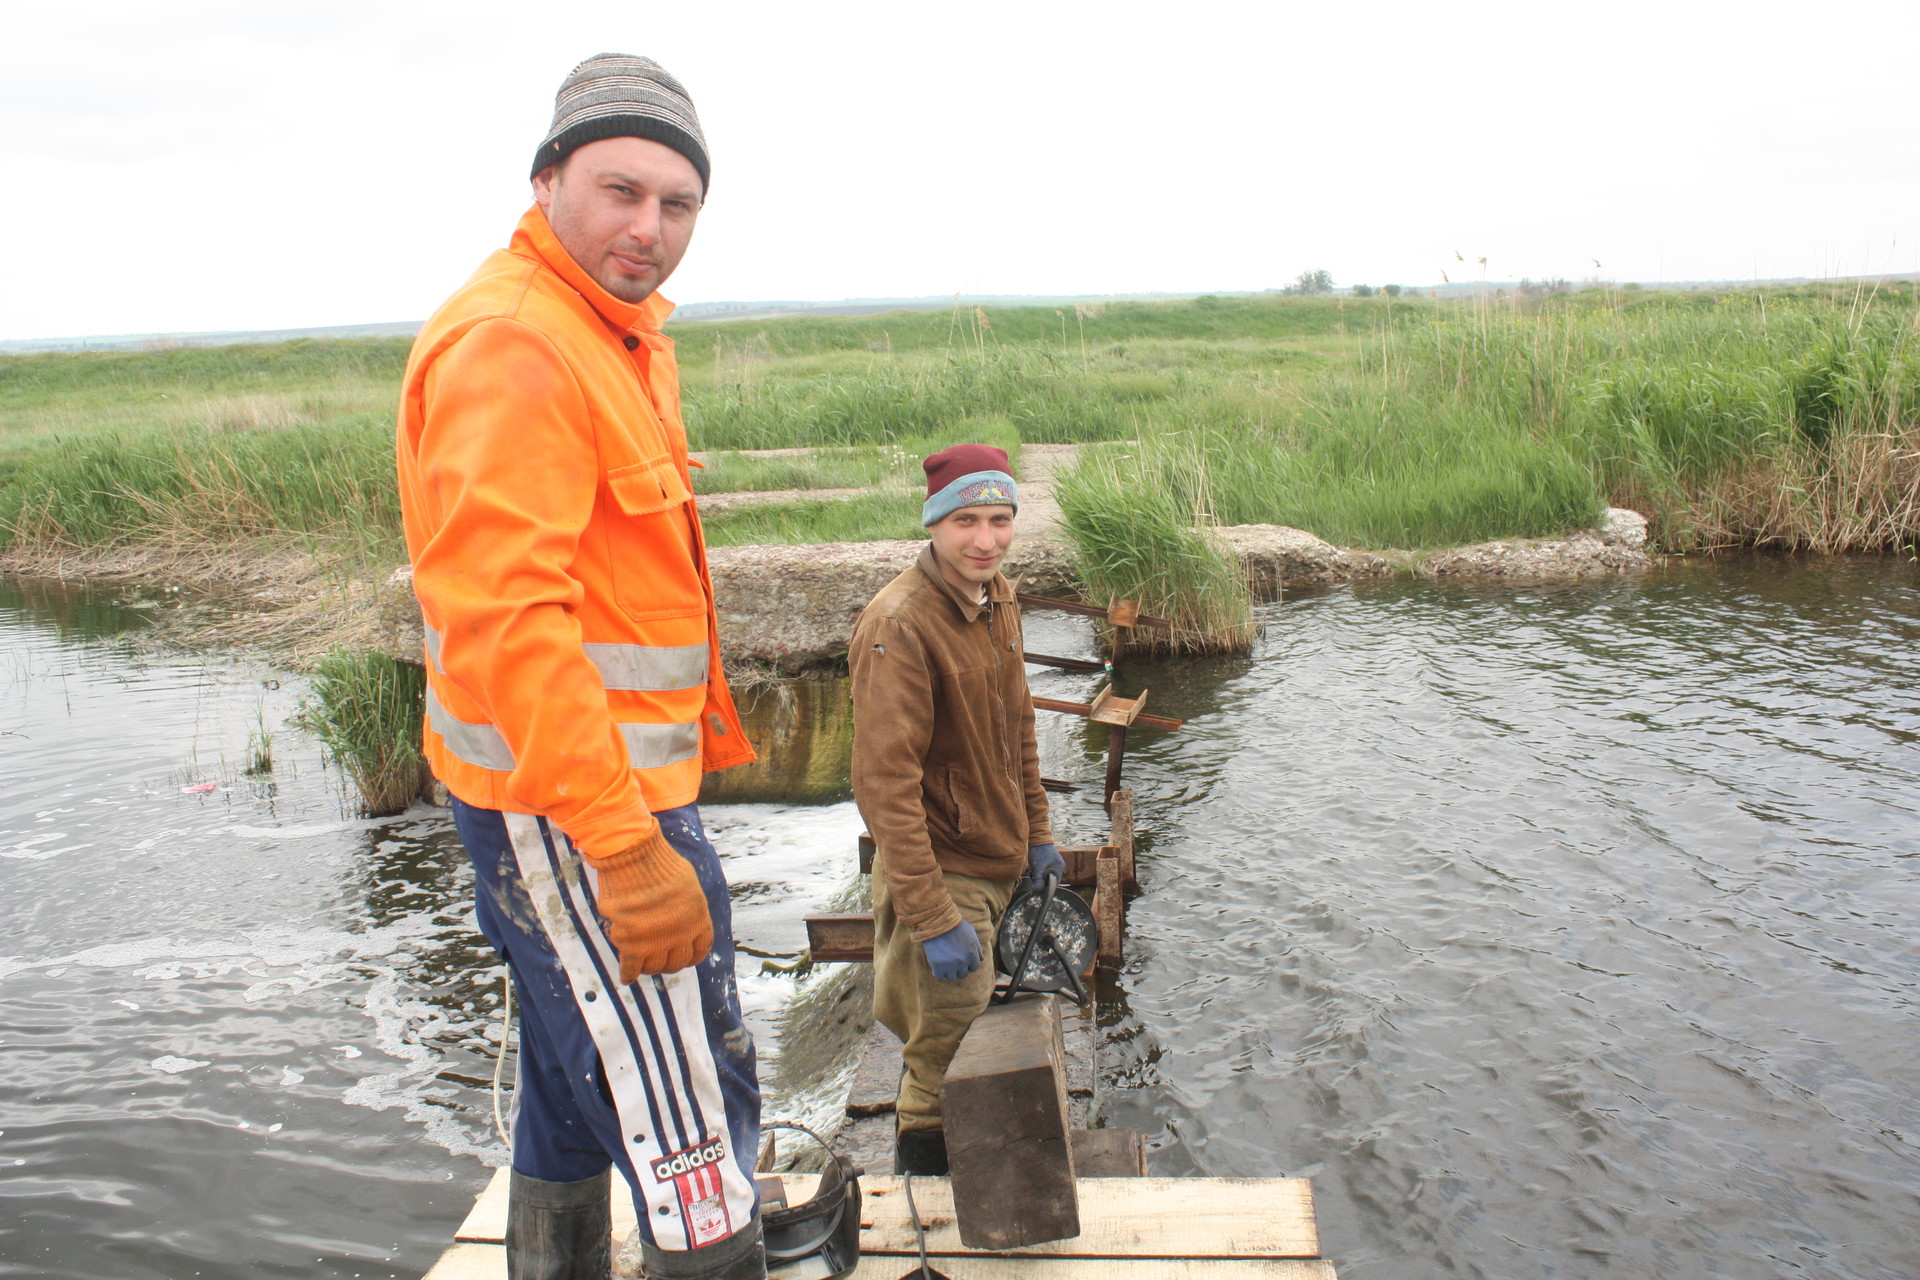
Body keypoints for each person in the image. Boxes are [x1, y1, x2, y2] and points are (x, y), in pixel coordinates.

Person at [395, 54, 765, 1280]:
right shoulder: (521, 345)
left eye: (678, 205)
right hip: (573, 805)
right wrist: (624, 848)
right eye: (620, 192)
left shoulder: (612, 331)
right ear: (548, 181)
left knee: (571, 1076)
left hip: (571, 790)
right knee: (690, 1121)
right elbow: (509, 622)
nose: (648, 229)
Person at [848, 444, 1064, 1175]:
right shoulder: (899, 625)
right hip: (942, 870)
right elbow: (884, 787)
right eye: (966, 520)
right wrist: (933, 916)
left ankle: (967, 1191)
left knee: (970, 1040)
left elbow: (1018, 723)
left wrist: (1037, 834)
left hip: (999, 853)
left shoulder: (996, 595)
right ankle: (928, 1203)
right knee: (943, 1060)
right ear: (935, 525)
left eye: (1000, 519)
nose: (986, 539)